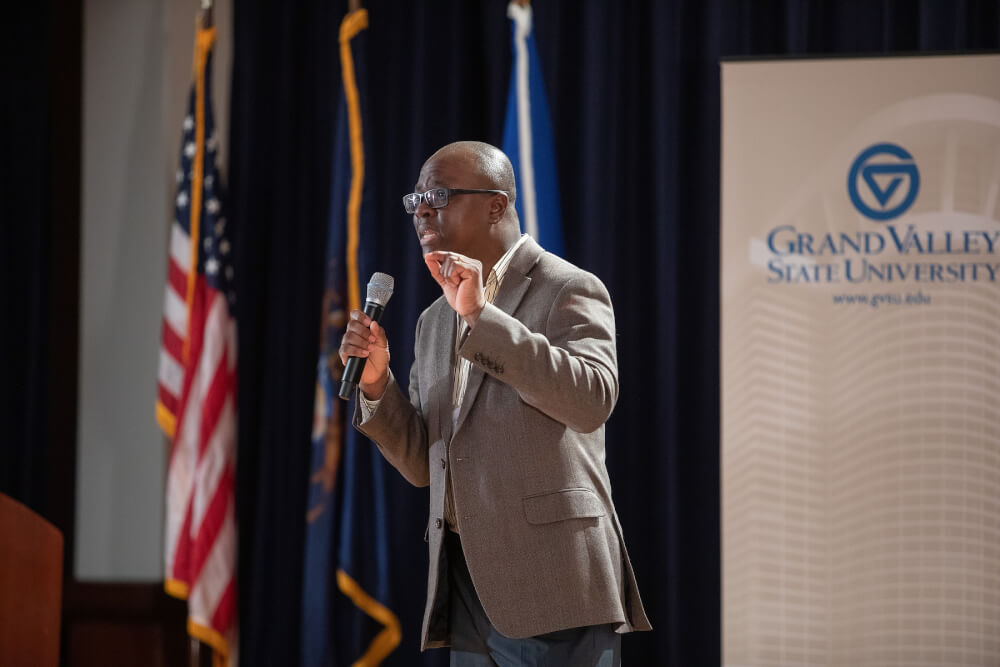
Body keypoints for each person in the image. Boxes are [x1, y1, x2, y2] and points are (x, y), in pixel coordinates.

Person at [339, 141, 650, 665]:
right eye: (415, 200)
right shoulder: (433, 320)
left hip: (555, 584)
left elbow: (591, 398)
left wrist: (484, 319)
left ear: (496, 206)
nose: (422, 211)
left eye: (437, 195)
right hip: (464, 584)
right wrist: (377, 386)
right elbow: (423, 464)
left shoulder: (568, 287)